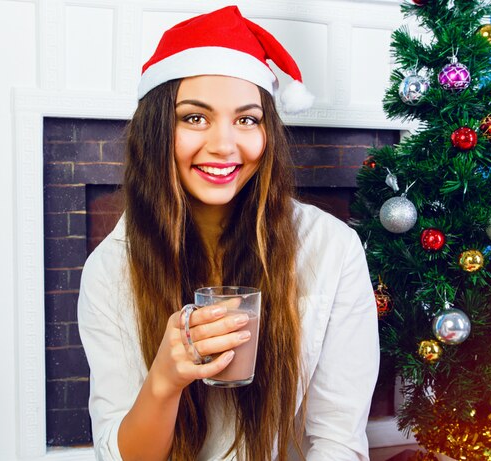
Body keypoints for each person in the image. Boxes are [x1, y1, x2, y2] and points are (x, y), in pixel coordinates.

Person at [78, 5, 379, 461]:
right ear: (158, 130)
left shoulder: (331, 248)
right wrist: (165, 379)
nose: (224, 145)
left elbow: (338, 439)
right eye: (194, 118)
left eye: (247, 119)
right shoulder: (110, 268)